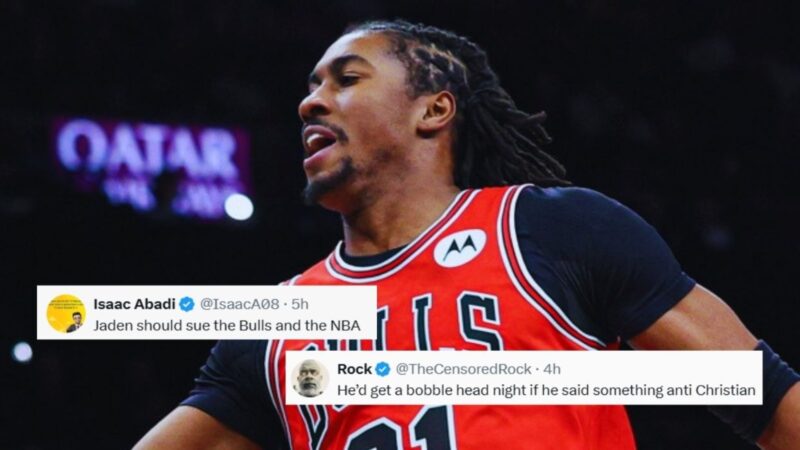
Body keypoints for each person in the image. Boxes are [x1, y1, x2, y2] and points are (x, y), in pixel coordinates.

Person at [135, 20, 800, 450]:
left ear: (434, 109)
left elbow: (768, 401)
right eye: (311, 88)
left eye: (347, 79)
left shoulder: (551, 231)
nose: (310, 102)